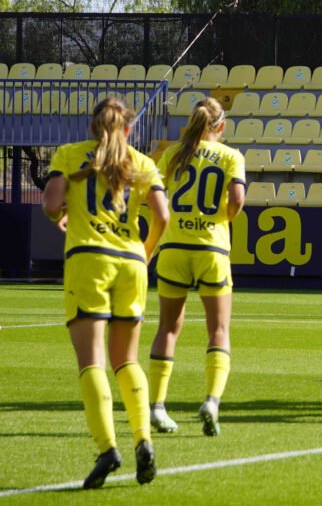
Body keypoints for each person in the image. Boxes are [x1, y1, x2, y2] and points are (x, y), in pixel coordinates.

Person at [42, 97, 169, 489]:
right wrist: (145, 253)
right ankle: (142, 439)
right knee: (126, 359)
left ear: (94, 127)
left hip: (89, 259)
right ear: (128, 128)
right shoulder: (144, 163)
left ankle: (107, 447)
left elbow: (50, 203)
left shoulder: (69, 154)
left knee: (92, 361)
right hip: (131, 263)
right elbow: (162, 216)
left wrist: (60, 216)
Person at [147, 97, 246, 437]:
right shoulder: (231, 156)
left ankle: (157, 407)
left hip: (173, 247)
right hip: (211, 248)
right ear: (222, 125)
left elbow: (153, 194)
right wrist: (222, 220)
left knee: (168, 329)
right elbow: (236, 201)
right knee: (218, 329)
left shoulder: (172, 153)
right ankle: (212, 401)